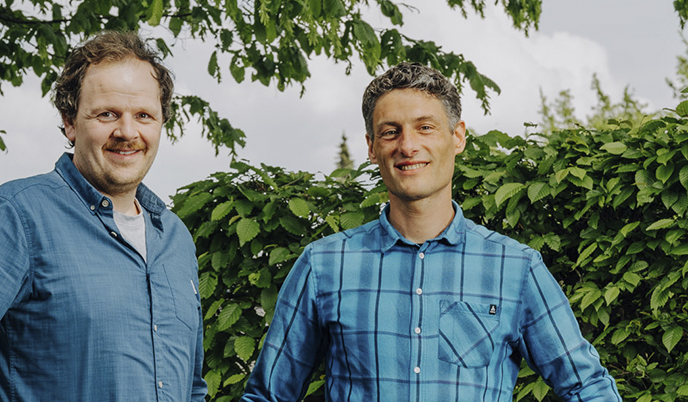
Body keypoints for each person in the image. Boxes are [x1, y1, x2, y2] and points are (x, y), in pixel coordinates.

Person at [241, 62, 620, 401]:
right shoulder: (324, 266)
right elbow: (268, 395)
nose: (408, 146)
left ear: (457, 137)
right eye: (390, 132)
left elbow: (587, 387)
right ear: (371, 147)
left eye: (425, 127)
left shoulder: (516, 268)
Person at [0, 31, 207, 401]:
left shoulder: (175, 238)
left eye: (144, 115)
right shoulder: (19, 215)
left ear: (161, 122)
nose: (127, 131)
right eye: (107, 114)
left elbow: (191, 387)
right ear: (70, 122)